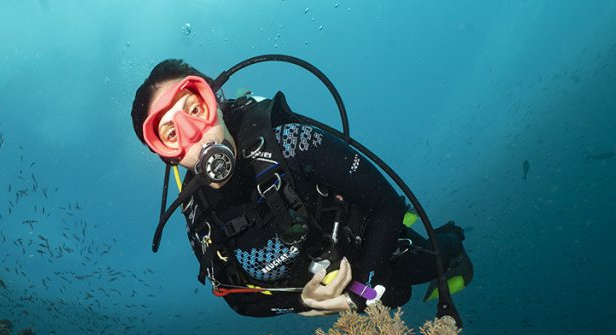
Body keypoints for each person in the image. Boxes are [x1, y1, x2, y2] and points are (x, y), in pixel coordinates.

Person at [131, 59, 473, 317]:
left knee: (404, 280)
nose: (193, 133)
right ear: (166, 155)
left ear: (216, 103)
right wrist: (301, 301)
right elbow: (236, 297)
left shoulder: (291, 142)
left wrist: (363, 289)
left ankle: (452, 243)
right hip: (323, 278)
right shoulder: (199, 211)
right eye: (171, 133)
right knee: (389, 298)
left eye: (195, 108)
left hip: (372, 244)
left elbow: (386, 203)